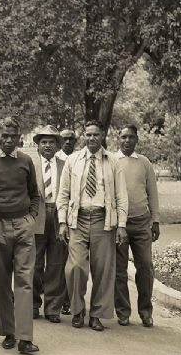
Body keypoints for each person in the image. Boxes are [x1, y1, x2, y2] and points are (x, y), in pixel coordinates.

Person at [57, 120, 128, 331]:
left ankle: (97, 314)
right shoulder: (73, 160)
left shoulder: (113, 162)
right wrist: (62, 222)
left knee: (103, 270)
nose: (91, 139)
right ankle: (77, 310)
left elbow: (121, 196)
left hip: (102, 220)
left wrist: (122, 225)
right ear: (84, 137)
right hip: (77, 219)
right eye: (88, 135)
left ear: (102, 135)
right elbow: (63, 194)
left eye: (95, 135)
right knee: (76, 267)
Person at [0, 117, 41, 355]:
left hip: (23, 224)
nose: (7, 140)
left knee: (25, 280)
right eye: (3, 135)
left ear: (18, 138)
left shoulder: (26, 161)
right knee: (2, 282)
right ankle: (8, 331)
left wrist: (31, 217)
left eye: (12, 136)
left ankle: (25, 338)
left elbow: (34, 194)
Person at [115, 125, 160, 328]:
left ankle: (145, 311)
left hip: (142, 222)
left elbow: (152, 193)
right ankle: (123, 312)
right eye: (123, 137)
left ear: (136, 139)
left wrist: (155, 220)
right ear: (118, 139)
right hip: (119, 225)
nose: (127, 141)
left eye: (131, 137)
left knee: (145, 267)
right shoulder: (112, 161)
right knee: (119, 270)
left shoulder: (144, 163)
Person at [31, 126, 67, 324]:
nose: (47, 145)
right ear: (38, 145)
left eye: (51, 142)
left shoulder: (65, 165)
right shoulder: (31, 165)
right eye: (43, 142)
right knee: (34, 263)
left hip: (59, 215)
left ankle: (53, 307)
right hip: (37, 216)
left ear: (57, 145)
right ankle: (33, 304)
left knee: (56, 263)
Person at [56, 128, 78, 315]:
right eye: (64, 139)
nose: (68, 142)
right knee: (54, 261)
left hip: (73, 217)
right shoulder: (54, 159)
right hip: (54, 214)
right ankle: (55, 297)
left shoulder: (79, 159)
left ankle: (67, 300)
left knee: (70, 261)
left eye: (71, 139)